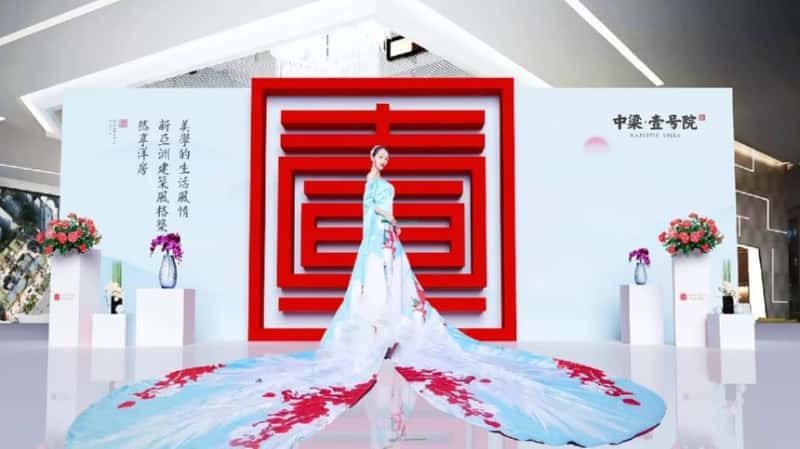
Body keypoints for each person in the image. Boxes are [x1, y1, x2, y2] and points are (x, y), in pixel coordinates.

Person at [65, 145, 665, 449]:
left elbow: (382, 216)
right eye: (378, 158)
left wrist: (391, 230)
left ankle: (394, 340)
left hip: (389, 243)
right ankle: (379, 340)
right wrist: (389, 228)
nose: (382, 163)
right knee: (377, 294)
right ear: (371, 162)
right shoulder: (374, 187)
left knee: (397, 295)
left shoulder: (385, 185)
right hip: (381, 243)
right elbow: (374, 217)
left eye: (384, 158)